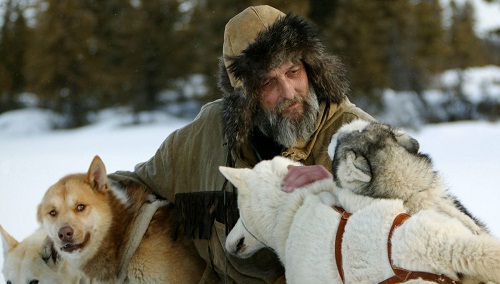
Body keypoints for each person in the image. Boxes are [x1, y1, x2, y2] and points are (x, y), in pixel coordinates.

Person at [109, 5, 374, 283]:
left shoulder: (358, 136)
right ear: (244, 97)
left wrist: (335, 189)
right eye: (268, 83)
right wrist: (69, 206)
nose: (288, 92)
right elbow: (136, 185)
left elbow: (410, 215)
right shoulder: (206, 133)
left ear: (310, 67)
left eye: (293, 72)